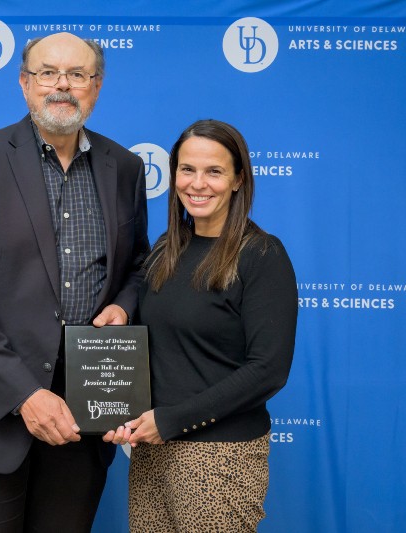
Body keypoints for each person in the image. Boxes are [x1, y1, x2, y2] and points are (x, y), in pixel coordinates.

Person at [0, 32, 150, 532]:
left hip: (84, 416)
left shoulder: (127, 168)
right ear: (25, 83)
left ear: (97, 86)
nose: (62, 85)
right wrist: (25, 394)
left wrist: (124, 303)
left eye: (77, 74)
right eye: (48, 72)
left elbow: (139, 263)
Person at [117, 119, 298, 531]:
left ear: (237, 180)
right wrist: (114, 408)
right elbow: (154, 349)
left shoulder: (262, 256)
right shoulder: (167, 248)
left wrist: (174, 420)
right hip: (151, 451)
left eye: (214, 171)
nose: (198, 184)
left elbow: (268, 369)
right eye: (187, 169)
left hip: (222, 457)